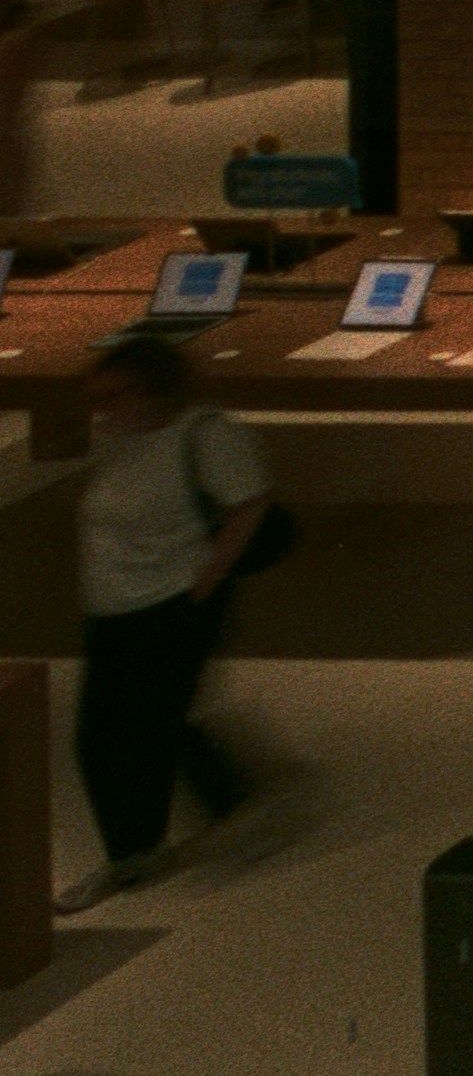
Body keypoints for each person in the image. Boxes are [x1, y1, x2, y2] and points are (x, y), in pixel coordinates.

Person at [71, 331, 267, 888]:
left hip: (170, 601)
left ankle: (149, 845)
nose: (102, 410)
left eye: (114, 396)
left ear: (153, 390)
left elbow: (249, 503)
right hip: (109, 607)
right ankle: (138, 849)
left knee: (154, 723)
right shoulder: (115, 437)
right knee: (100, 736)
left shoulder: (207, 434)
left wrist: (210, 573)